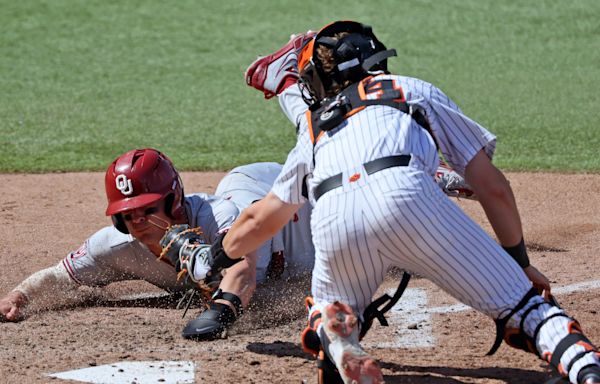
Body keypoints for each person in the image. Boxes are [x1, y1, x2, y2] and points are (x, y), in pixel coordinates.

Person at [177, 21, 599, 384]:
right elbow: (493, 189)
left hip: (334, 217)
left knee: (330, 310)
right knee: (524, 308)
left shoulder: (314, 126)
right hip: (408, 199)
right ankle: (584, 367)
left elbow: (263, 216)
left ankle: (337, 335)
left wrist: (219, 254)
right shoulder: (411, 90)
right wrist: (518, 262)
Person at [0, 148, 255, 342]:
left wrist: (222, 312)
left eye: (148, 208)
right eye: (128, 212)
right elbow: (61, 276)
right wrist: (17, 297)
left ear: (172, 200)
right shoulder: (113, 246)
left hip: (259, 195)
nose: (138, 220)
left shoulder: (216, 217)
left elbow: (242, 265)